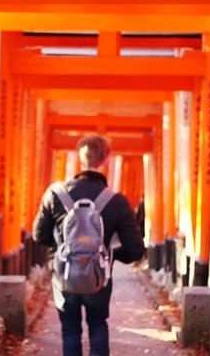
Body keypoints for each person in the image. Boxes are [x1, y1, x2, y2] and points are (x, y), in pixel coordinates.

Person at [33, 134, 145, 356]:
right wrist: (108, 254)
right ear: (106, 159)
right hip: (99, 276)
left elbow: (39, 235)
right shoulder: (117, 201)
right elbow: (135, 250)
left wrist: (63, 249)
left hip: (65, 275)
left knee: (70, 331)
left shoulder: (56, 194)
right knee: (98, 325)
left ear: (79, 158)